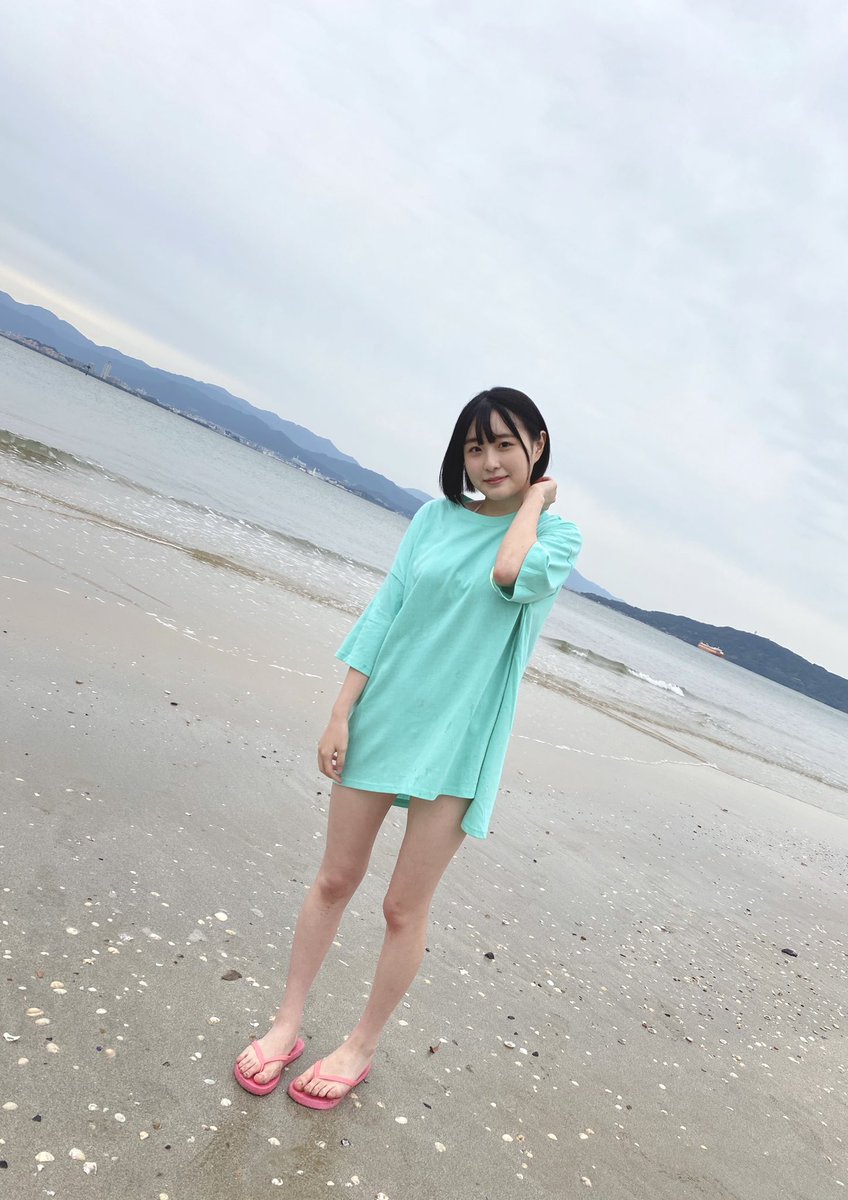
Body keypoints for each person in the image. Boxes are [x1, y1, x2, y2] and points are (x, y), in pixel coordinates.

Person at [234, 386, 582, 1109]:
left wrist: (532, 504)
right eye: (475, 448)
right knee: (335, 879)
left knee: (402, 907)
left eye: (504, 445)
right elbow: (385, 611)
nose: (488, 462)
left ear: (537, 447)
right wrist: (341, 711)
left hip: (460, 738)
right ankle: (286, 1023)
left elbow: (508, 574)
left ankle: (359, 1046)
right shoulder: (432, 518)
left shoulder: (556, 540)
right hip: (384, 714)